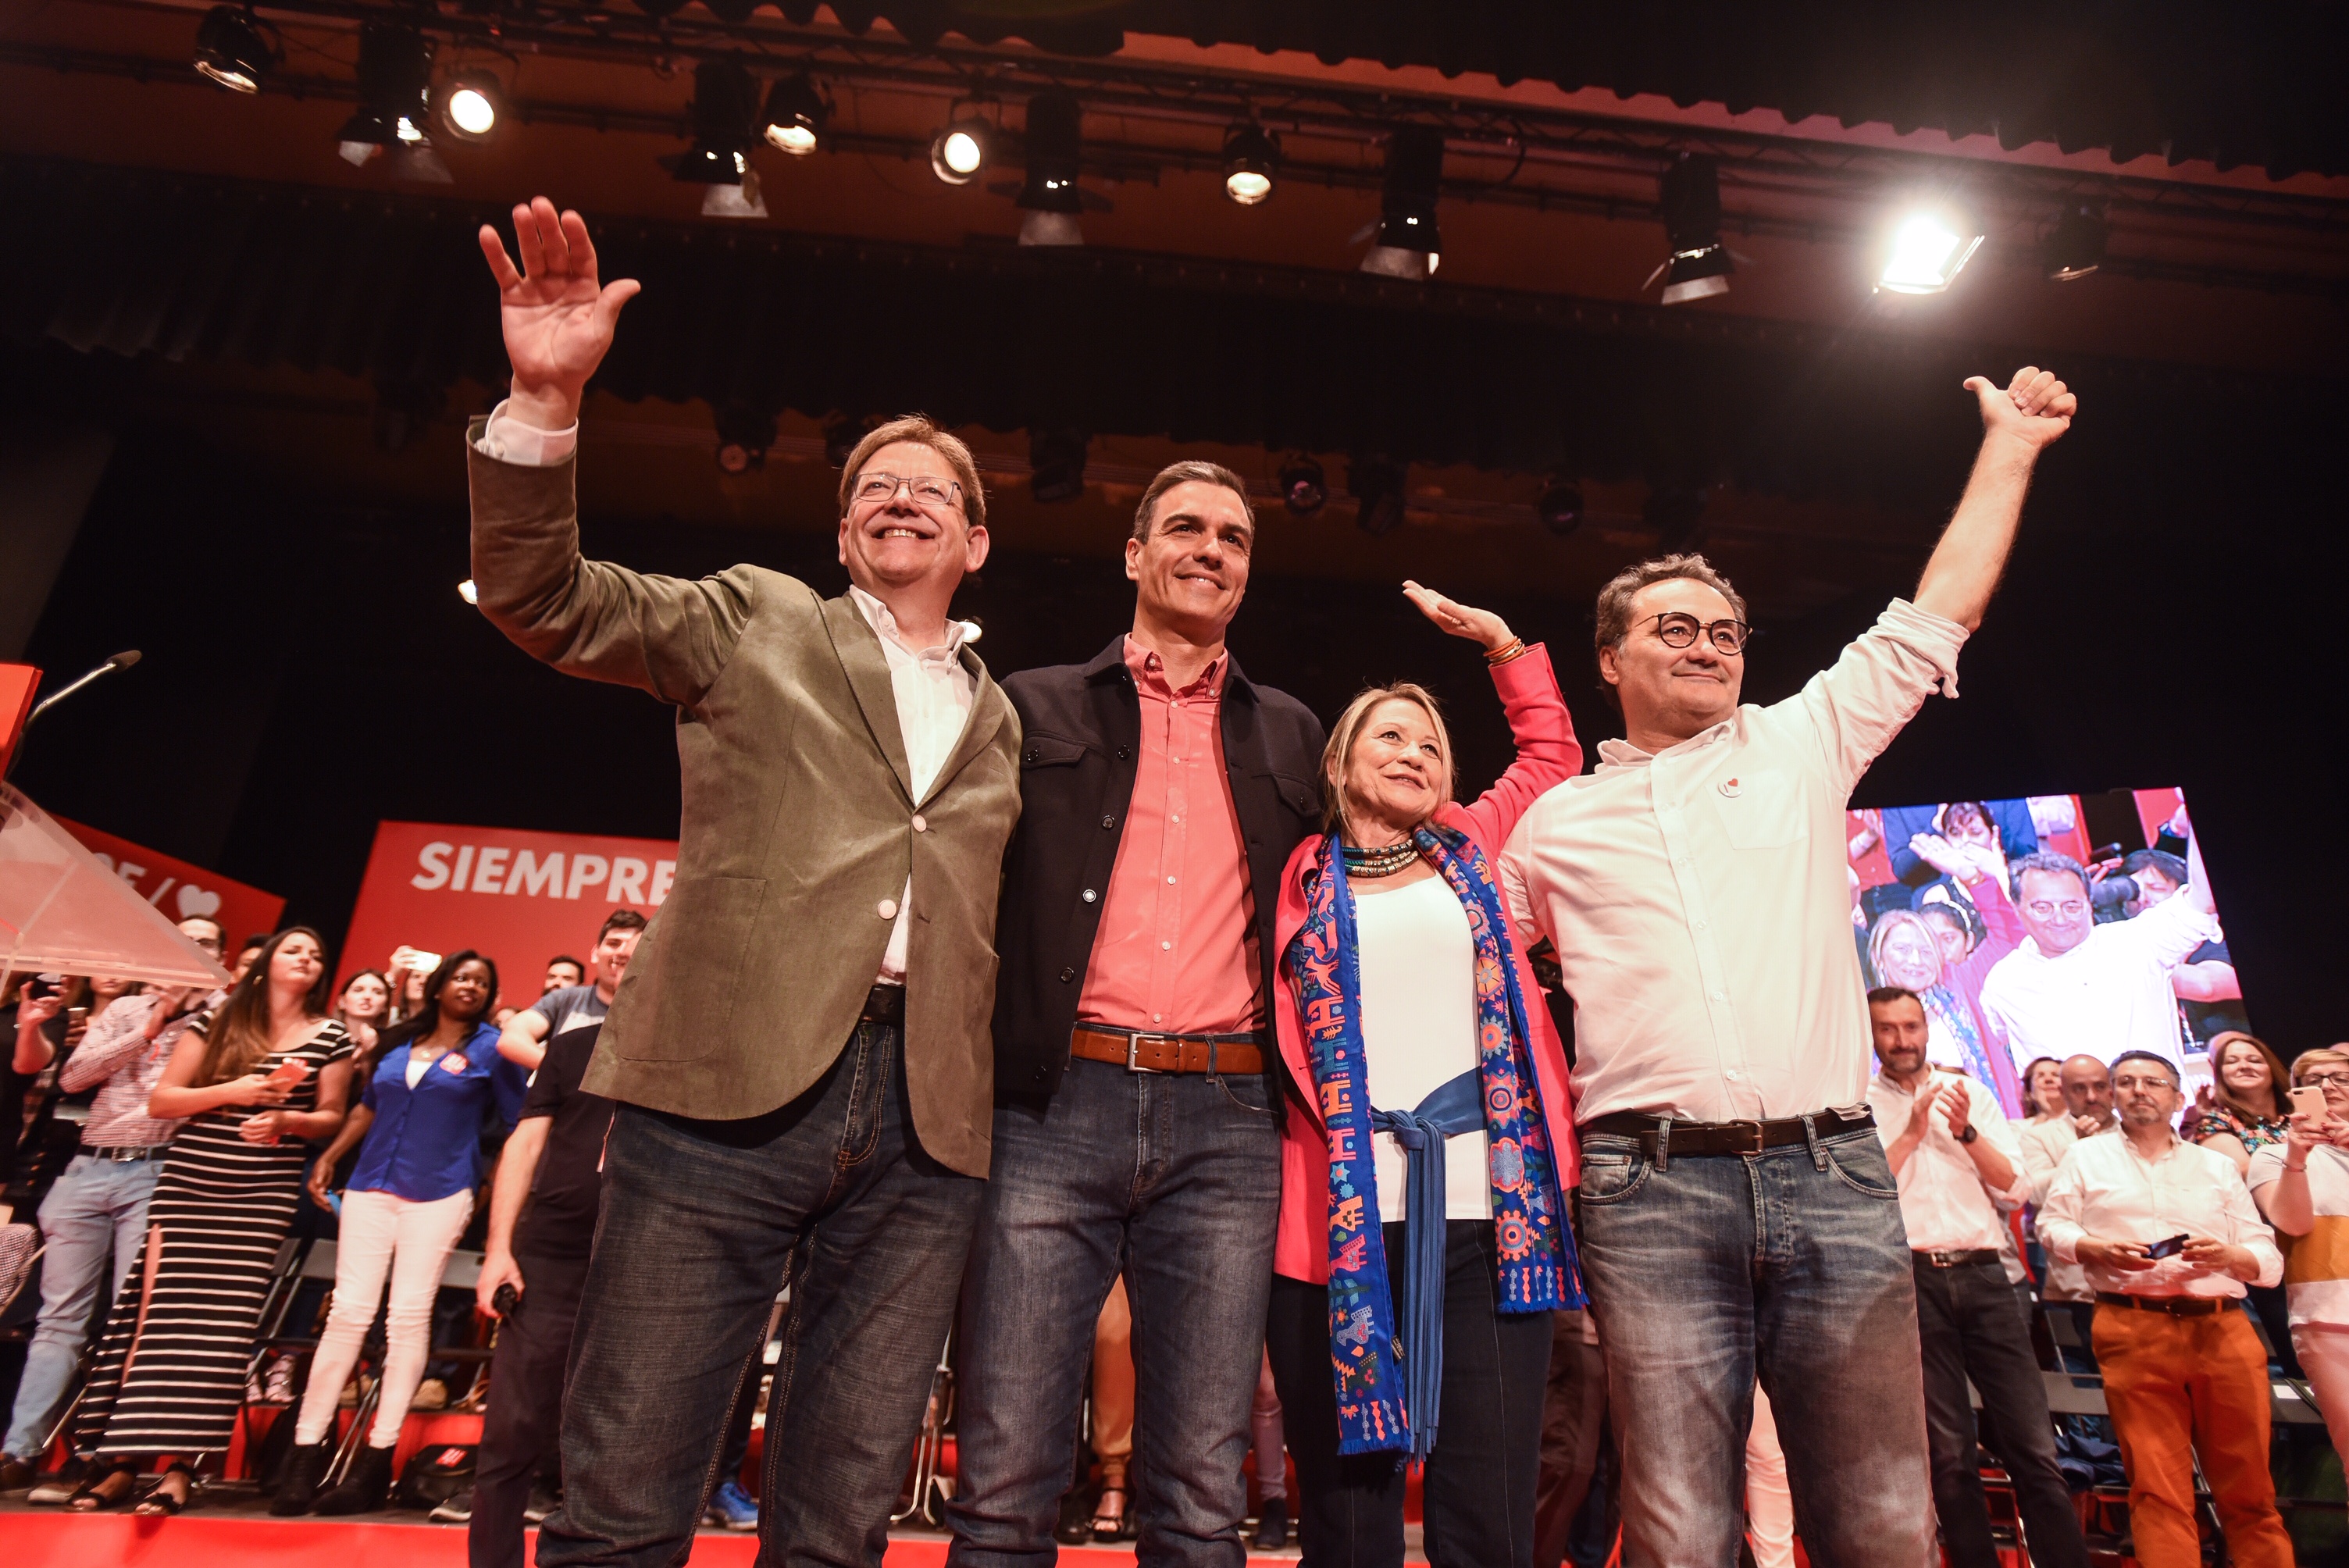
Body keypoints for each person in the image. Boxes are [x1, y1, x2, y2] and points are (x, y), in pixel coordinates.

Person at [470, 195, 1023, 1568]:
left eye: (930, 490)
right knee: (626, 1490)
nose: (896, 497)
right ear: (841, 537)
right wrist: (545, 400)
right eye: (870, 488)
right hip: (719, 1090)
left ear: (974, 542)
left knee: (839, 1516)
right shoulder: (751, 617)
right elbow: (544, 598)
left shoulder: (1008, 717)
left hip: (923, 1127)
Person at [1501, 365, 2079, 1566]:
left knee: (1878, 1519)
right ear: (1609, 658)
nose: (1709, 648)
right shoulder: (1552, 827)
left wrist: (2011, 448)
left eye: (1725, 632)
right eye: (1676, 629)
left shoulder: (1806, 739)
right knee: (1680, 1526)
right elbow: (1461, 965)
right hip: (1646, 1192)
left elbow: (1939, 611)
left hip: (1835, 1174)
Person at [950, 461, 1324, 1568]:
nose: (1212, 550)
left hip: (1229, 1120)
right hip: (1051, 1106)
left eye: (1235, 538)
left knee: (1203, 1485)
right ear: (1134, 554)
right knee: (1008, 1468)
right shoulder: (1029, 702)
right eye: (1187, 529)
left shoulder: (1296, 733)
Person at [1259, 593, 1584, 1568]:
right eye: (1387, 736)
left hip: (1491, 1218)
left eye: (1430, 744)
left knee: (1487, 1509)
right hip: (1335, 1223)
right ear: (1340, 763)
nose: (1411, 753)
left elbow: (1550, 761)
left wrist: (1503, 649)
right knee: (1349, 1515)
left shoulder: (1470, 854)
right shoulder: (1298, 874)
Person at [63, 928, 355, 1514]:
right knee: (157, 1324)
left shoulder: (332, 1036)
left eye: (316, 955)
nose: (306, 959)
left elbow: (330, 1116)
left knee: (219, 1337)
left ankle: (179, 1469)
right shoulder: (216, 1021)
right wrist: (238, 1090)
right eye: (294, 949)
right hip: (191, 1186)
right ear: (267, 961)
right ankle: (119, 1463)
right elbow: (163, 1101)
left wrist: (285, 1122)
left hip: (259, 1195)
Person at [276, 951, 529, 1515]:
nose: (471, 987)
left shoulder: (493, 1048)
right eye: (462, 977)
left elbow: (520, 1126)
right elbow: (366, 1108)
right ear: (439, 986)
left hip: (440, 1192)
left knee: (407, 1317)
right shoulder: (397, 1042)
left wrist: (486, 1188)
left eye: (482, 982)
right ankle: (304, 1455)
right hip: (369, 1185)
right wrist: (332, 1158)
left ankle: (374, 1462)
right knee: (347, 1313)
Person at [2036, 1051, 2291, 1568]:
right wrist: (2094, 1247)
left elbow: (2267, 1259)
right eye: (2125, 1082)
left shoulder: (2215, 1165)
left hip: (2221, 1328)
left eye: (2153, 1082)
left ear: (2178, 1099)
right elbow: (2052, 1227)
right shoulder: (2085, 1158)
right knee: (2156, 1489)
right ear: (2112, 1095)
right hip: (2131, 1327)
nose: (2138, 1090)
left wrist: (2229, 1256)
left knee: (2250, 1490)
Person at [1863, 987, 2087, 1568]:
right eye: (1888, 1029)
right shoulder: (1858, 1106)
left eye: (1911, 1026)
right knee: (1948, 1452)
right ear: (1871, 1035)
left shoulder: (1973, 1093)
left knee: (2033, 1445)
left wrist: (1964, 1131)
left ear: (1927, 1027)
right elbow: (1861, 1198)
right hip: (1908, 1280)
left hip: (1987, 1277)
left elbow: (2014, 1189)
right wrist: (1912, 1132)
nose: (1903, 1039)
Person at [0, 957, 210, 1491]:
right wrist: (149, 1029)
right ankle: (21, 1450)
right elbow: (73, 1077)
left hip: (159, 1169)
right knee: (58, 1318)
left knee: (129, 1319)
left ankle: (104, 1454)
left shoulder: (217, 1017)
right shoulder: (125, 1009)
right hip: (89, 1164)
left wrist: (178, 1021)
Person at [462, 1019, 618, 1566]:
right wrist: (500, 1249)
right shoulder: (573, 1048)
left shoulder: (698, 1048)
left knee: (620, 1443)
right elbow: (525, 1144)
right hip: (552, 1254)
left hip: (646, 1265)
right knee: (512, 1431)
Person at [1978, 840, 2219, 1080]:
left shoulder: (2137, 942)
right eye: (2042, 907)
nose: (2060, 919)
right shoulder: (2003, 981)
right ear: (2017, 909)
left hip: (2154, 1111)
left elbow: (2201, 900)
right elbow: (1991, 1048)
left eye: (2072, 906)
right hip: (2067, 1118)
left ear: (2089, 904)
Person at [2246, 1048, 2349, 1449]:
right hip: (2329, 1322)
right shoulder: (2272, 1156)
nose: (2326, 1086)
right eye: (2313, 1080)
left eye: (2340, 1077)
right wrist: (2296, 1159)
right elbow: (2293, 1223)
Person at [1866, 907, 2017, 1113]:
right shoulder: (1860, 1017)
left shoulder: (1958, 990)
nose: (1916, 960)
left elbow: (2006, 937)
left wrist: (1974, 878)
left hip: (1976, 1126)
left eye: (1927, 951)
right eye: (1902, 949)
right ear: (1878, 957)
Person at [2017, 1054, 2119, 1313]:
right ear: (2064, 1092)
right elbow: (2037, 1193)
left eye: (2099, 1087)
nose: (2092, 1097)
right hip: (2076, 1282)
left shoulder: (2134, 1132)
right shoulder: (2039, 1136)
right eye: (2079, 1089)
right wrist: (2079, 1150)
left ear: (2112, 1090)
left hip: (2136, 1276)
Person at [496, 911, 643, 1071]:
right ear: (595, 953)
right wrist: (562, 1073)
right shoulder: (567, 999)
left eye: (632, 947)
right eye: (614, 943)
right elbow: (511, 1038)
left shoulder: (650, 1010)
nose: (621, 953)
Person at [2181, 1030, 2290, 1176]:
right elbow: (2247, 1173)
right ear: (2217, 1070)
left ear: (2272, 1067)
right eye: (2231, 1061)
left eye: (2254, 1060)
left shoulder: (2298, 1111)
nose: (2244, 1066)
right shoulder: (2215, 1123)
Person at [335, 968, 392, 1060]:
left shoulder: (392, 1046)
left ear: (385, 1006)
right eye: (358, 990)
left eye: (378, 992)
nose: (367, 996)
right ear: (342, 1001)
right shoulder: (324, 1034)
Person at [2020, 1056, 2066, 1123]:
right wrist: (2046, 1113)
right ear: (2029, 1091)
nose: (2048, 1079)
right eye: (2040, 1076)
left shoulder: (2083, 1120)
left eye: (2056, 1075)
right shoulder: (2017, 1128)